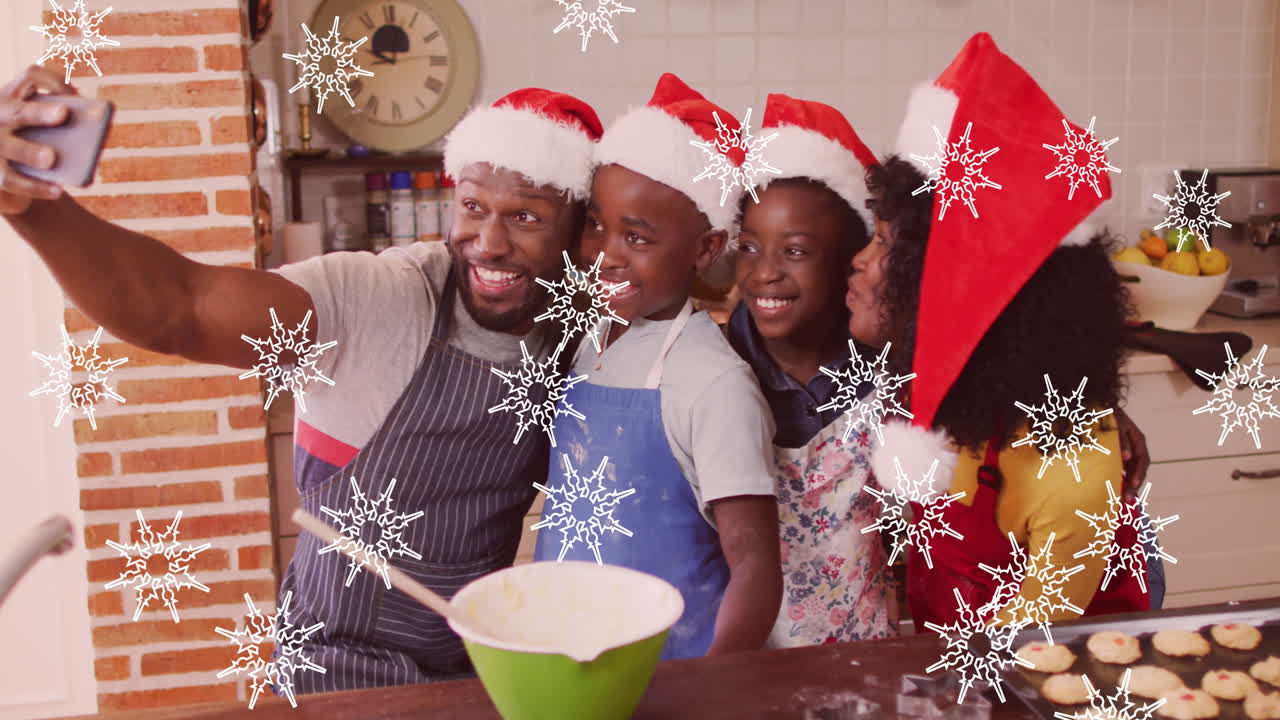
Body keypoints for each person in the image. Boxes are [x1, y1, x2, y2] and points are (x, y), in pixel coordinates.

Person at [0, 65, 604, 691]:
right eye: (473, 207)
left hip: (477, 675)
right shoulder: (379, 300)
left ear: (578, 233)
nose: (489, 242)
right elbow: (178, 308)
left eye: (526, 219)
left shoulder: (578, 322)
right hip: (334, 677)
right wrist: (37, 211)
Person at [851, 33, 1158, 631]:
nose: (859, 260)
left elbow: (1033, 652)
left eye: (885, 243)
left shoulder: (1064, 472)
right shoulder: (949, 391)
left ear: (958, 281)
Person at [532, 73, 782, 659]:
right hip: (573, 657)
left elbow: (754, 564)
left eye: (637, 238)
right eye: (597, 225)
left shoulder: (712, 383)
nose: (607, 255)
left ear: (705, 249)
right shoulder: (586, 343)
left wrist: (717, 683)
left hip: (675, 675)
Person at [725, 93, 897, 646]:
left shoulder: (891, 366)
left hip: (867, 647)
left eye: (795, 251)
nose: (764, 273)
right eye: (749, 247)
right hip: (744, 654)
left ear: (853, 257)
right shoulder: (718, 370)